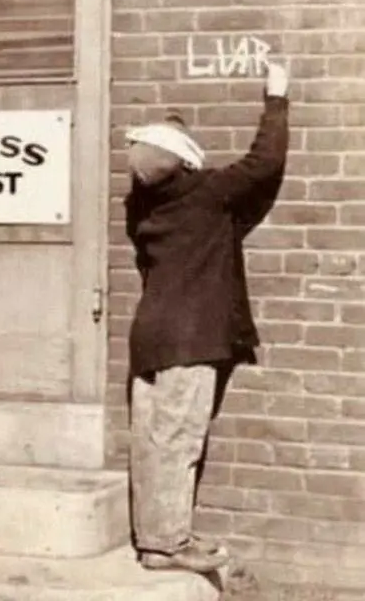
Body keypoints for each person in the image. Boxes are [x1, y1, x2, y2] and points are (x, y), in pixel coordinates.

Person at [124, 63, 290, 574]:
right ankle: (170, 545)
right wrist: (277, 100)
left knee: (151, 442)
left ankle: (153, 539)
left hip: (150, 334)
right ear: (188, 162)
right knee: (180, 440)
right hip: (192, 338)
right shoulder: (209, 195)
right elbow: (265, 163)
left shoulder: (141, 207)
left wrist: (170, 128)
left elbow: (160, 165)